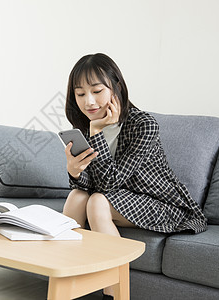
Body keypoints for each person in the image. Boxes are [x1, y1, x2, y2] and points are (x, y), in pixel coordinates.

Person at [62, 53, 207, 299]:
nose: (89, 101)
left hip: (161, 203)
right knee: (77, 196)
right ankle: (65, 282)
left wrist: (98, 133)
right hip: (117, 199)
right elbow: (93, 183)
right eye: (80, 94)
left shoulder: (144, 125)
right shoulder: (86, 126)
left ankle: (115, 294)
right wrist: (75, 172)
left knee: (97, 201)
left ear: (115, 87)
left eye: (97, 91)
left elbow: (108, 184)